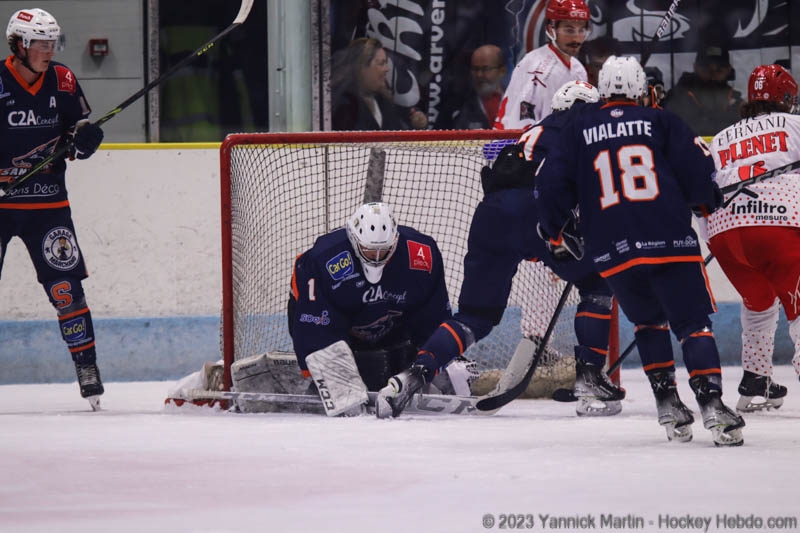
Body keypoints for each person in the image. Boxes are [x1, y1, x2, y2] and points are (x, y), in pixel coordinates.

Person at [377, 80, 625, 419]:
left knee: (474, 317)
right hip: (538, 213)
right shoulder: (587, 130)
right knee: (597, 284)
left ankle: (414, 374)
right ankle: (590, 380)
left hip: (491, 216)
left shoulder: (534, 131)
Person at [535, 55, 745, 446]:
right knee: (693, 325)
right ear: (640, 89)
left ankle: (668, 403)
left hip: (612, 251)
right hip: (668, 241)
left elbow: (549, 187)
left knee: (650, 324)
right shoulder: (662, 121)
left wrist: (555, 232)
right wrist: (706, 199)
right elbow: (697, 177)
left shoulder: (579, 128)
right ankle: (712, 404)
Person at [0, 8, 105, 409]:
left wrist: (83, 142)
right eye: (39, 43)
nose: (47, 50)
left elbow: (74, 135)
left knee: (66, 290)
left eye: (51, 43)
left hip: (47, 203)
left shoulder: (62, 80)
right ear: (19, 45)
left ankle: (87, 368)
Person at [288, 202, 469, 417]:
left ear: (395, 241)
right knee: (347, 403)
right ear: (353, 240)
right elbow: (314, 325)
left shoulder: (422, 254)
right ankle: (323, 381)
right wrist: (325, 369)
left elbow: (431, 316)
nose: (376, 257)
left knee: (448, 365)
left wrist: (438, 357)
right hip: (341, 335)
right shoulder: (324, 258)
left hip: (392, 330)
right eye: (369, 250)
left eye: (384, 251)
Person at [705, 64, 800, 412]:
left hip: (724, 234)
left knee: (759, 302)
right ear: (787, 98)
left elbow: (705, 188)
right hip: (778, 223)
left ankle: (756, 378)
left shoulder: (721, 136)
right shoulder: (795, 124)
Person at [494, 0, 590, 130]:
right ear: (551, 29)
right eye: (569, 30)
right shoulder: (535, 66)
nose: (576, 38)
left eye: (581, 30)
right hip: (522, 144)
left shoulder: (578, 68)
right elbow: (522, 120)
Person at [331, 38, 428, 131]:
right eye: (381, 64)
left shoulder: (385, 101)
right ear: (362, 68)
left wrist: (416, 125)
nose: (387, 69)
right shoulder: (344, 107)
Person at [662, 45, 743, 136]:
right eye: (706, 69)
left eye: (719, 70)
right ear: (695, 67)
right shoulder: (677, 98)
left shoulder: (740, 105)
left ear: (729, 70)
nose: (712, 74)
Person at [439, 44, 507, 130]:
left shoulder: (516, 103)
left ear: (502, 71)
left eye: (485, 69)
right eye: (475, 69)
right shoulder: (455, 106)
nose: (479, 75)